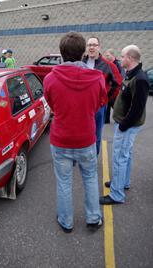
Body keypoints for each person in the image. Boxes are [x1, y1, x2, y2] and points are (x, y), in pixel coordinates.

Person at [43, 32, 107, 232]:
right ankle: (93, 218)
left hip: (60, 139)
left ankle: (66, 221)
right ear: (83, 52)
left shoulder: (50, 78)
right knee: (90, 178)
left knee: (63, 182)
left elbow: (52, 104)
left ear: (62, 53)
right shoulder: (97, 78)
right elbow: (99, 104)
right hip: (86, 139)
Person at [100, 45, 149, 205]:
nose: (120, 59)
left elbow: (138, 108)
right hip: (125, 124)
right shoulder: (131, 75)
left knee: (120, 158)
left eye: (122, 57)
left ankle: (116, 194)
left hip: (127, 125)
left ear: (130, 58)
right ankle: (122, 183)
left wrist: (123, 125)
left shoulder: (140, 79)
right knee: (125, 156)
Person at [83, 36, 121, 155]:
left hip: (99, 108)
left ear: (99, 47)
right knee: (82, 132)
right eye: (89, 45)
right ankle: (82, 156)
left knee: (96, 134)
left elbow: (117, 84)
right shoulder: (81, 63)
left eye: (94, 45)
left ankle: (94, 157)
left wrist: (105, 99)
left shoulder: (108, 66)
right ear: (86, 48)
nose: (92, 47)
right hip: (82, 106)